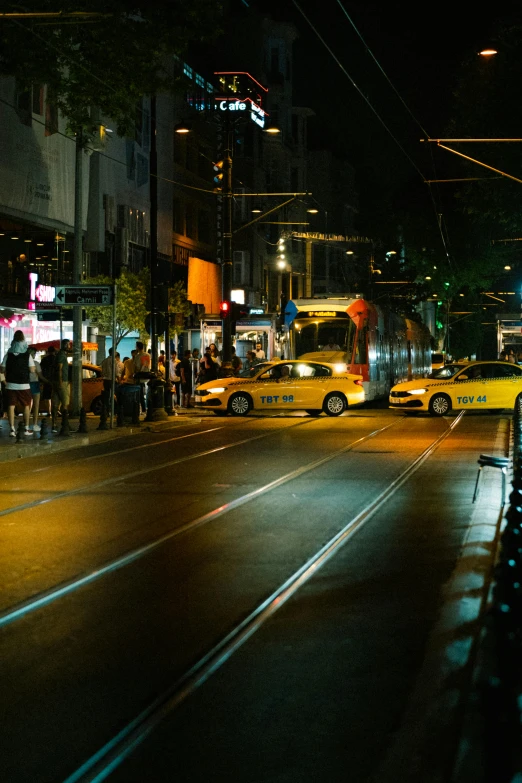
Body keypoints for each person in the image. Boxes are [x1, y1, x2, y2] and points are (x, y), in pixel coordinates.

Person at [0, 330, 35, 437]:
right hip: (24, 384)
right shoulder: (27, 355)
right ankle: (26, 428)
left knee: (11, 406)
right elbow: (32, 370)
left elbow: (2, 369)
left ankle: (12, 430)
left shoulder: (8, 354)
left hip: (10, 384)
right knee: (26, 405)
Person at [51, 338, 71, 431]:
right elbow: (59, 369)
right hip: (62, 382)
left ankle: (54, 425)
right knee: (65, 403)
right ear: (64, 345)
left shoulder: (60, 355)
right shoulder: (61, 355)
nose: (69, 346)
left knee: (55, 404)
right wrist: (60, 381)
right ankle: (65, 424)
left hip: (57, 381)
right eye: (68, 344)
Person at [28, 347, 48, 432]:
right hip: (34, 384)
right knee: (36, 405)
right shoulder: (35, 363)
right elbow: (40, 376)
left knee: (27, 406)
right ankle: (35, 424)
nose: (33, 355)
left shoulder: (23, 363)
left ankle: (26, 424)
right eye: (33, 353)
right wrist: (48, 382)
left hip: (26, 385)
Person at [134, 341, 151, 413]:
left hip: (140, 377)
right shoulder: (147, 355)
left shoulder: (138, 356)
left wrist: (138, 371)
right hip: (146, 376)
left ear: (137, 347)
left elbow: (137, 366)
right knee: (145, 394)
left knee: (140, 394)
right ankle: (145, 407)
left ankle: (143, 408)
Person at [40, 345, 56, 417]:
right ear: (54, 352)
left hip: (46, 380)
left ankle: (49, 412)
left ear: (48, 352)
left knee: (47, 397)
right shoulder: (56, 359)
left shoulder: (44, 360)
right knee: (55, 396)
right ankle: (55, 410)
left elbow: (41, 370)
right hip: (55, 380)